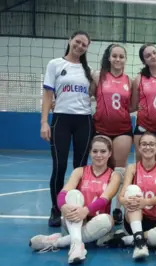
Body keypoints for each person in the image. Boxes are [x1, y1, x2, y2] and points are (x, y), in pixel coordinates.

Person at [29, 135, 121, 264]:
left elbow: (104, 199)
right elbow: (62, 194)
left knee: (107, 219)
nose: (98, 155)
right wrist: (63, 207)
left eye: (103, 151)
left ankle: (59, 242)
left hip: (97, 224)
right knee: (73, 193)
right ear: (89, 152)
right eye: (95, 151)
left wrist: (86, 210)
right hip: (75, 220)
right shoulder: (80, 171)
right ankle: (77, 245)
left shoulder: (114, 175)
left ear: (109, 153)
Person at [40, 30, 95, 227]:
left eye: (84, 44)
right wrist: (44, 121)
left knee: (79, 169)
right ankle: (56, 208)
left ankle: (76, 207)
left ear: (87, 48)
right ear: (69, 40)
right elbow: (48, 95)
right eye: (77, 42)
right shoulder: (55, 64)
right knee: (59, 166)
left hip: (84, 121)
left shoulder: (89, 71)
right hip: (61, 120)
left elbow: (97, 94)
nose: (80, 46)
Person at [98, 131, 156, 260]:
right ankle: (140, 244)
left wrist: (144, 202)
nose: (148, 147)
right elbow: (121, 196)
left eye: (151, 144)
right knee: (133, 189)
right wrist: (130, 202)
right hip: (134, 219)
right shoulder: (133, 167)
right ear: (139, 148)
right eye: (144, 144)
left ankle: (128, 239)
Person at [91, 44, 133, 224]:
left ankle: (117, 208)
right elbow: (88, 96)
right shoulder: (97, 76)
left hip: (123, 128)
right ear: (109, 57)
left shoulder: (129, 80)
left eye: (121, 56)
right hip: (101, 128)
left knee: (120, 169)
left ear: (125, 59)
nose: (117, 59)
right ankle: (102, 203)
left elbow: (133, 105)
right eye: (114, 56)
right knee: (103, 168)